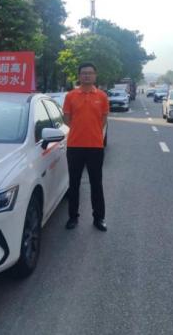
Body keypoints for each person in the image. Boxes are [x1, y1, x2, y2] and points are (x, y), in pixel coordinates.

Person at [62, 62, 109, 232]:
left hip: (95, 146)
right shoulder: (70, 96)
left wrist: (92, 131)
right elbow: (67, 119)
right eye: (84, 73)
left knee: (96, 183)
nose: (87, 75)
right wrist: (79, 130)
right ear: (79, 76)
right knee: (74, 183)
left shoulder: (102, 96)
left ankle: (99, 218)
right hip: (75, 146)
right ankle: (73, 217)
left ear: (95, 75)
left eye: (90, 73)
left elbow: (103, 119)